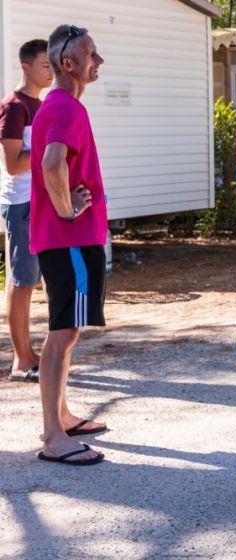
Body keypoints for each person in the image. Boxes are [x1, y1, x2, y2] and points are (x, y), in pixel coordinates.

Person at [30, 25, 108, 465]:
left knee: (67, 330)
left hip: (67, 240)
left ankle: (61, 416)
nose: (99, 62)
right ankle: (53, 436)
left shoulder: (59, 105)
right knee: (62, 334)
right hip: (70, 239)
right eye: (92, 55)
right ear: (68, 64)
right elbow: (50, 163)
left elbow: (53, 163)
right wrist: (67, 211)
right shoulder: (65, 108)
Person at [0, 39, 53, 383]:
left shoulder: (42, 103)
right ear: (26, 67)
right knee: (22, 283)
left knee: (30, 281)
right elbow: (13, 163)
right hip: (21, 204)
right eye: (45, 65)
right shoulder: (13, 106)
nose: (51, 70)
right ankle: (21, 361)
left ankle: (28, 354)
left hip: (39, 202)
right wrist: (51, 152)